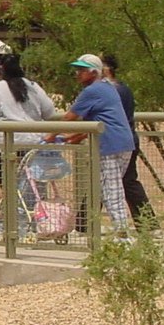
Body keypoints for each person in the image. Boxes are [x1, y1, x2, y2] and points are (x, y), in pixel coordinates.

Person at [47, 54, 135, 234]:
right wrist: (75, 137)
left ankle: (122, 235)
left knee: (111, 193)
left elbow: (69, 117)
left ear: (94, 72)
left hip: (109, 145)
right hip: (124, 143)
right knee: (106, 189)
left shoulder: (92, 91)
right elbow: (98, 119)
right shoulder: (108, 87)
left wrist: (50, 136)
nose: (77, 74)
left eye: (82, 70)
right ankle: (100, 228)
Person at [0, 54, 59, 191]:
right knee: (32, 186)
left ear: (1, 68)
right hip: (33, 141)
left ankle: (12, 205)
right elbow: (49, 112)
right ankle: (26, 208)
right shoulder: (33, 87)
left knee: (7, 185)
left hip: (1, 145)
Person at [101, 53, 152, 221]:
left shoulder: (113, 90)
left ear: (106, 69)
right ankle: (83, 223)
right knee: (116, 181)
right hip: (127, 139)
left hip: (118, 143)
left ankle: (148, 223)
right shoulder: (123, 88)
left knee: (121, 181)